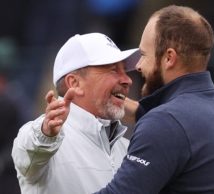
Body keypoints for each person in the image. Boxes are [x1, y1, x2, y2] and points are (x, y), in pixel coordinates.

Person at [94, 5, 214, 194]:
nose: (138, 66)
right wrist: (125, 107)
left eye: (144, 55)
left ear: (169, 58)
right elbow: (186, 130)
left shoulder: (164, 122)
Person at [11, 32, 140, 194]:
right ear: (75, 83)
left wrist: (144, 114)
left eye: (124, 71)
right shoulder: (41, 137)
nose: (128, 80)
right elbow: (32, 150)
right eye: (113, 70)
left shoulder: (129, 148)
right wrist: (46, 134)